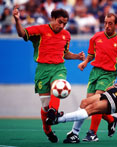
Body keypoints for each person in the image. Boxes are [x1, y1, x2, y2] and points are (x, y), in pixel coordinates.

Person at [12, 7, 85, 143]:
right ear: (53, 18)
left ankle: (54, 112)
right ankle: (48, 130)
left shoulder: (66, 35)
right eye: (60, 22)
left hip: (58, 68)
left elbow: (65, 53)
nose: (62, 26)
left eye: (65, 23)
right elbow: (22, 33)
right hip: (42, 70)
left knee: (58, 86)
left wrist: (76, 56)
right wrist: (17, 20)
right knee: (45, 106)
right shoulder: (40, 30)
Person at [58, 13, 117, 143]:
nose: (107, 26)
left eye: (110, 23)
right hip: (95, 72)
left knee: (96, 104)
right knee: (88, 104)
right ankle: (111, 120)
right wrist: (84, 63)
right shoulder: (96, 37)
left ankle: (92, 134)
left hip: (108, 74)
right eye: (105, 23)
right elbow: (91, 55)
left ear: (116, 25)